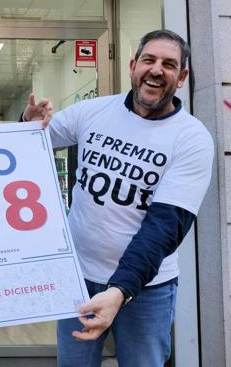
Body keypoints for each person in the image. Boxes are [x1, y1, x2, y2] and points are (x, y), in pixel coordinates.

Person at [23, 30, 214, 367]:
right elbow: (32, 141)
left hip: (146, 289)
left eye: (169, 64)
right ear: (132, 66)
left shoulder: (192, 139)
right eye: (149, 60)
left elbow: (164, 227)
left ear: (181, 77)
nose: (156, 70)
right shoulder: (93, 112)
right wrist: (27, 124)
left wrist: (120, 290)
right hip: (78, 279)